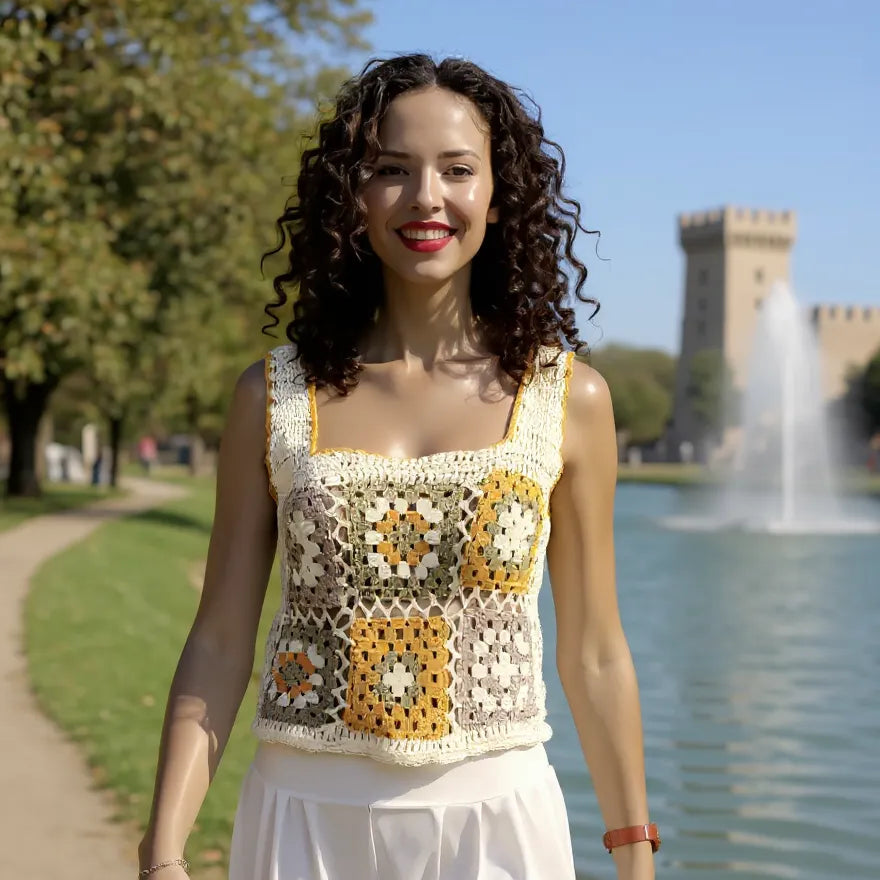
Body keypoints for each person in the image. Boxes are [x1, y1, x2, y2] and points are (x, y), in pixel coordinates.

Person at [137, 53, 659, 880]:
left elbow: (594, 652)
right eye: (391, 170)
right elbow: (222, 635)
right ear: (353, 194)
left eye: (457, 170)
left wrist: (635, 857)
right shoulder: (271, 396)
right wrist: (163, 850)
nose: (426, 199)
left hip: (498, 829)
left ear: (498, 192)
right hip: (300, 825)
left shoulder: (570, 399)